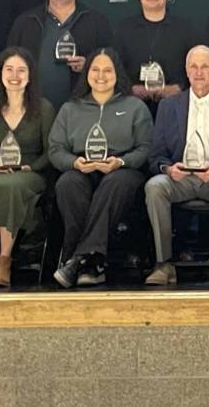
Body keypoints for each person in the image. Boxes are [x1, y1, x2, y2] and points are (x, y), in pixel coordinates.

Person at [49, 48, 152, 288]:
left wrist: (121, 162)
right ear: (87, 73)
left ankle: (76, 259)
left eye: (108, 70)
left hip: (121, 169)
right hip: (81, 167)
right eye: (95, 69)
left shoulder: (135, 107)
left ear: (118, 74)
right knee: (67, 183)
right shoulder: (70, 108)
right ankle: (91, 264)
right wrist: (74, 163)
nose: (101, 76)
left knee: (115, 182)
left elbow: (146, 148)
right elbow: (55, 149)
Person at [144, 46, 209, 286]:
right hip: (179, 180)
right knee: (154, 186)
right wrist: (168, 169)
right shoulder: (168, 106)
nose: (199, 73)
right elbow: (156, 155)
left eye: (205, 67)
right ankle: (164, 263)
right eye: (194, 67)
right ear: (186, 72)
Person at [0, 48, 55, 287]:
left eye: (21, 70)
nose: (14, 75)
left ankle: (4, 261)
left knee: (12, 186)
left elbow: (50, 151)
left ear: (30, 76)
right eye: (9, 69)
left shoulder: (44, 108)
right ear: (0, 74)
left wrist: (31, 167)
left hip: (30, 173)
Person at [6, 0, 115, 111]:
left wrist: (89, 66)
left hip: (83, 110)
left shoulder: (96, 22)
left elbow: (114, 65)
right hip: (33, 111)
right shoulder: (26, 22)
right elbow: (7, 65)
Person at [113, 0, 200, 117]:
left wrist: (179, 88)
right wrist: (131, 89)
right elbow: (114, 67)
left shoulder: (185, 29)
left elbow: (198, 65)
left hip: (176, 107)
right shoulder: (124, 29)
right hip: (132, 109)